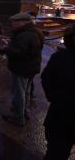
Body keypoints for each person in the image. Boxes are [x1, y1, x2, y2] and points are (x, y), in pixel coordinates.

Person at [0, 12, 44, 126]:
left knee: (18, 93)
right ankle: (24, 112)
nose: (12, 24)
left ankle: (18, 117)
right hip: (31, 67)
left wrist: (6, 48)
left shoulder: (24, 35)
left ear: (22, 22)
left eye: (14, 22)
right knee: (26, 92)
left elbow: (19, 53)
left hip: (22, 68)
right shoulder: (35, 31)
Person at [41, 24, 75, 160]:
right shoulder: (60, 57)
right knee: (57, 152)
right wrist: (56, 98)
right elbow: (47, 79)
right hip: (61, 114)